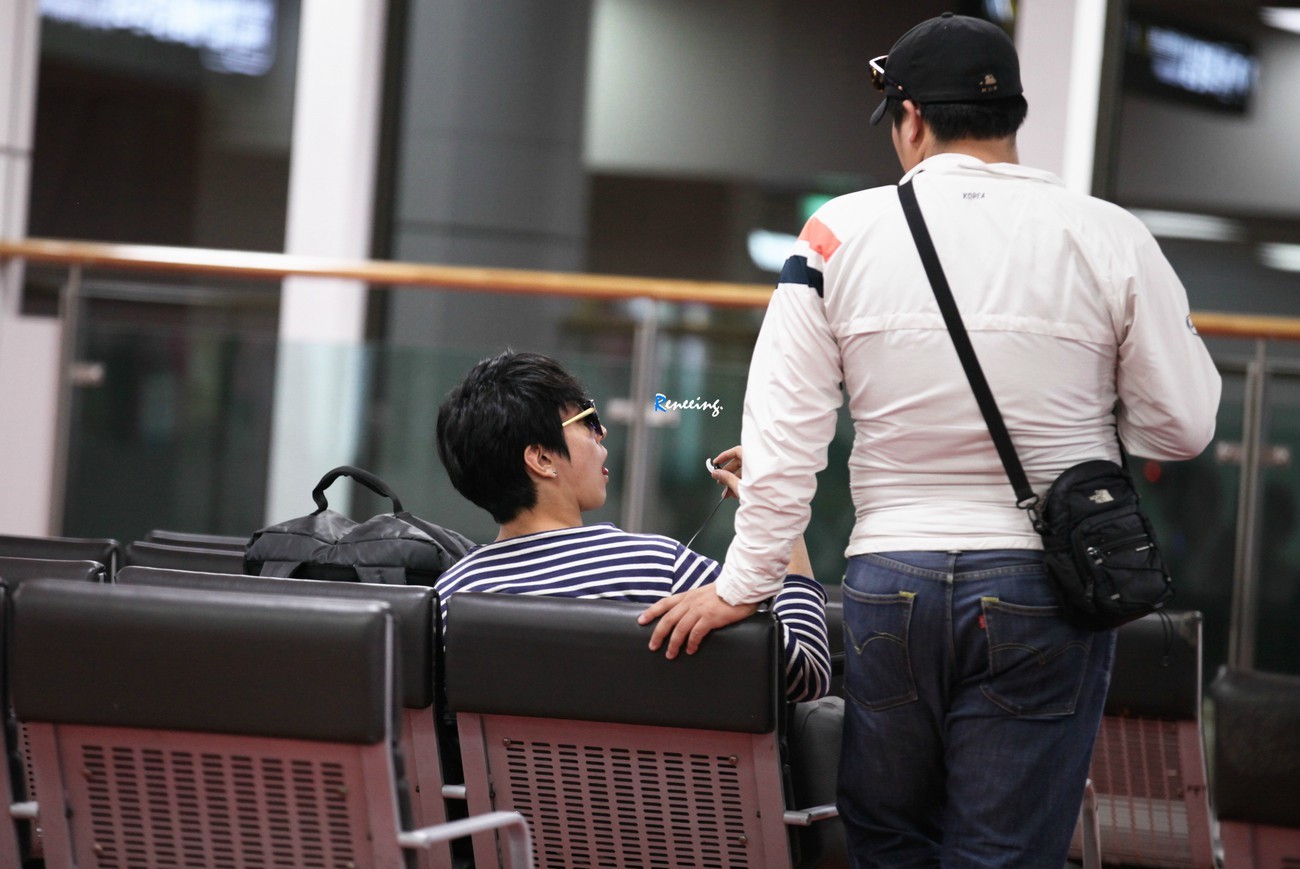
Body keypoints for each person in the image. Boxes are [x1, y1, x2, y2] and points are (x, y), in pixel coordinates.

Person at [640, 13, 1221, 867]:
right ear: (1014, 114)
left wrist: (745, 581)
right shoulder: (1109, 234)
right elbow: (1185, 425)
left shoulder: (836, 234)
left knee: (887, 841)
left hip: (892, 579)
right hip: (1044, 582)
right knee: (1002, 851)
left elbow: (784, 430)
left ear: (910, 118)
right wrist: (1089, 414)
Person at [434, 348, 831, 704]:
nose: (602, 432)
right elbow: (807, 674)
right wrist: (777, 510)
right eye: (588, 421)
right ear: (542, 459)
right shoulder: (658, 569)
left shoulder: (449, 598)